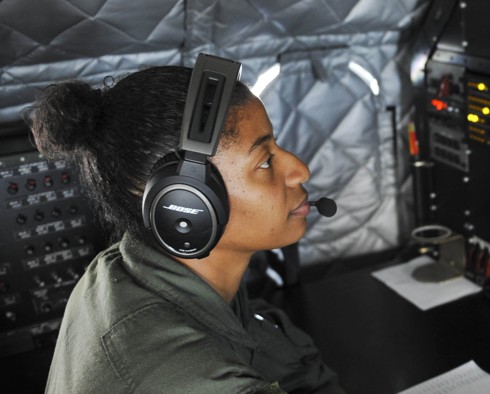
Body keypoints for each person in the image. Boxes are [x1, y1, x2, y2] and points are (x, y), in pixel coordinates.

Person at [25, 59, 343, 393]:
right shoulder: (187, 376)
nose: (300, 170)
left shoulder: (125, 271)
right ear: (188, 205)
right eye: (264, 161)